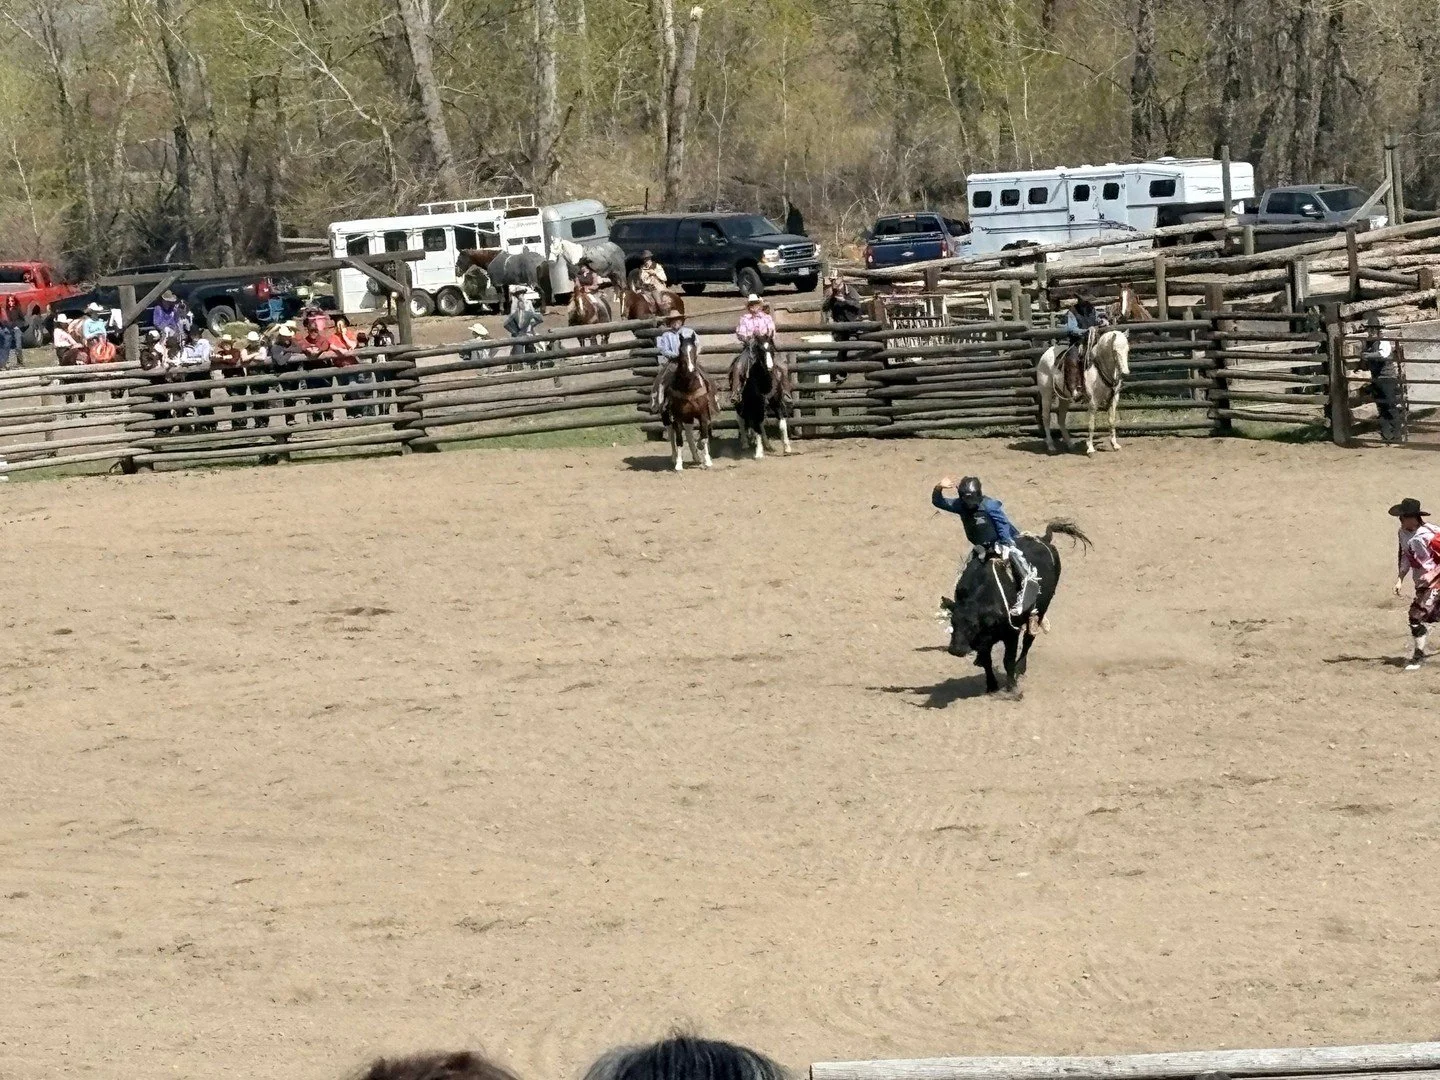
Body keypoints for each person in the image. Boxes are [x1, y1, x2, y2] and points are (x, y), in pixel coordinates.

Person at [932, 475, 1041, 624]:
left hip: (1002, 543)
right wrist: (939, 487)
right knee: (965, 575)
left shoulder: (990, 506)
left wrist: (1006, 544)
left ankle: (1032, 609)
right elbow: (938, 502)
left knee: (1021, 570)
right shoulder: (960, 505)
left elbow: (1002, 525)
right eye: (967, 501)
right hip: (981, 548)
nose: (970, 505)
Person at [1391, 497, 1440, 670]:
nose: (1400, 520)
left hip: (1436, 581)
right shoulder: (1402, 533)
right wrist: (1400, 579)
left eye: (1402, 517)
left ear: (1413, 517)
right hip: (1422, 583)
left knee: (1416, 616)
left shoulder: (1430, 534)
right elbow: (1404, 555)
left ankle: (1418, 656)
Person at [650, 312, 714, 415]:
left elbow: (698, 344)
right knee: (662, 379)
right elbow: (664, 350)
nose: (675, 322)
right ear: (669, 323)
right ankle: (660, 402)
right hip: (674, 362)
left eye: (677, 320)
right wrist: (675, 355)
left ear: (681, 321)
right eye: (673, 320)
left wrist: (693, 355)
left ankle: (713, 400)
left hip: (690, 360)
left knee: (706, 377)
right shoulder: (666, 335)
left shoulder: (690, 332)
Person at [1363, 311, 1404, 443]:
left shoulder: (1384, 341)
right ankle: (1387, 435)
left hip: (1387, 378)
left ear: (1378, 330)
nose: (1372, 331)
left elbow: (1383, 355)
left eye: (1374, 329)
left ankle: (1397, 434)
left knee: (1390, 406)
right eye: (1370, 329)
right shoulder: (1368, 343)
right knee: (1382, 407)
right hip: (1377, 378)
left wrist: (1367, 356)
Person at [1062, 291, 1109, 403]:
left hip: (1092, 340)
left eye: (1087, 300)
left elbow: (1097, 319)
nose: (1086, 302)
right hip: (1077, 342)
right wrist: (1086, 331)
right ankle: (1074, 389)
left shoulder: (1092, 310)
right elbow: (1071, 329)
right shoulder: (1072, 312)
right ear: (1080, 300)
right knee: (1073, 360)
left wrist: (1103, 321)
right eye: (1084, 300)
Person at [730, 293, 778, 399]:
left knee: (781, 366)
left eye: (755, 304)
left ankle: (784, 392)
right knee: (738, 367)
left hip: (766, 346)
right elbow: (741, 333)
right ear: (748, 307)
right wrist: (746, 338)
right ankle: (735, 392)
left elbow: (771, 331)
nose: (753, 307)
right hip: (750, 347)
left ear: (760, 305)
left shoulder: (767, 318)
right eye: (751, 305)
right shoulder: (744, 319)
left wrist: (766, 337)